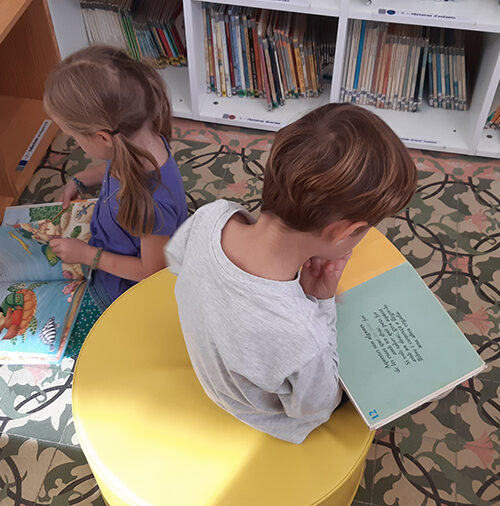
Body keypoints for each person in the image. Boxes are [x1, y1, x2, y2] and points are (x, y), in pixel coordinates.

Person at [166, 103, 418, 444]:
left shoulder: (212, 215)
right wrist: (320, 301)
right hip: (263, 415)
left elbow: (177, 261)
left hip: (213, 376)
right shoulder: (302, 335)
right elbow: (317, 407)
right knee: (398, 381)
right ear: (343, 232)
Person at [43, 45, 188, 355]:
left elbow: (152, 272)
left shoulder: (152, 206)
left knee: (67, 338)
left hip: (126, 287)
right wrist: (82, 178)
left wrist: (88, 256)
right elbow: (115, 167)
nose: (74, 143)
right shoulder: (139, 140)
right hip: (106, 248)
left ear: (103, 138)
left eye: (74, 137)